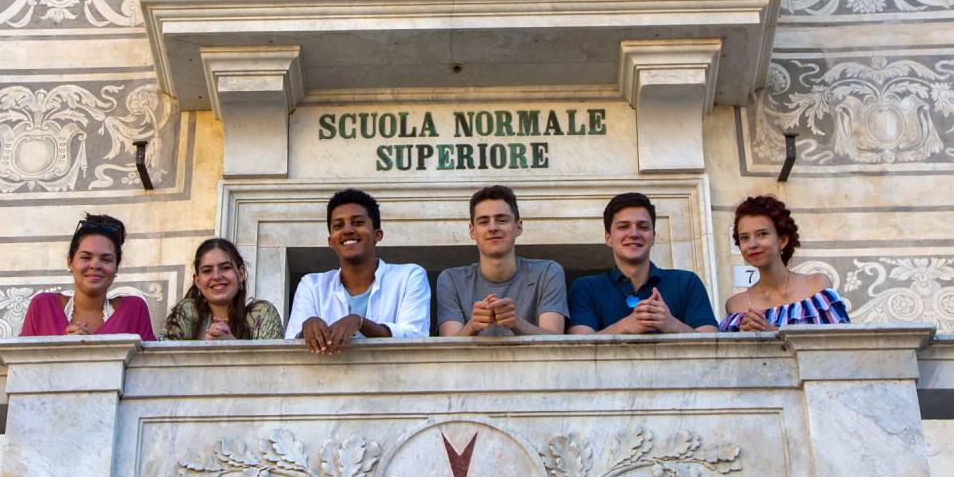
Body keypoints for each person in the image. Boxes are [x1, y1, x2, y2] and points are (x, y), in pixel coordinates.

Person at [285, 188, 429, 354]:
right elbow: (290, 347)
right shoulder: (311, 285)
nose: (347, 230)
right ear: (330, 241)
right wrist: (307, 328)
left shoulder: (409, 276)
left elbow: (416, 338)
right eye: (338, 225)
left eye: (358, 222)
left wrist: (359, 322)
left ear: (378, 235)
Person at [567, 192, 718, 335]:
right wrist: (624, 327)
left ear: (653, 237)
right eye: (623, 226)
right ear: (608, 238)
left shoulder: (686, 283)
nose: (634, 234)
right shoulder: (585, 288)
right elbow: (576, 346)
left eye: (643, 227)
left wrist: (672, 324)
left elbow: (715, 344)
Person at [436, 185, 566, 337]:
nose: (492, 227)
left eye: (502, 220)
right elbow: (447, 351)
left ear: (518, 227)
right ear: (472, 231)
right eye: (483, 222)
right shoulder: (451, 280)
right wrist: (472, 326)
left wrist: (515, 322)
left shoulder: (548, 272)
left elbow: (556, 343)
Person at [721, 194, 849, 330]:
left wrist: (773, 334)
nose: (752, 244)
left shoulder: (817, 286)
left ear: (782, 240)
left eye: (762, 234)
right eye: (744, 237)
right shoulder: (736, 306)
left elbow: (840, 346)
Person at [20, 214, 155, 338]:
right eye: (85, 257)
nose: (95, 265)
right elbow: (21, 360)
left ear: (116, 267)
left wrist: (92, 350)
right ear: (70, 262)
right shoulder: (43, 307)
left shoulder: (134, 310)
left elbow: (150, 362)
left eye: (106, 259)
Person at [165, 237, 284, 340]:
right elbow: (164, 361)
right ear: (198, 281)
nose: (216, 276)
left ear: (241, 274)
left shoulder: (261, 314)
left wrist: (231, 346)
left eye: (225, 268)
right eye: (207, 271)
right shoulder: (187, 312)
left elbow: (274, 365)